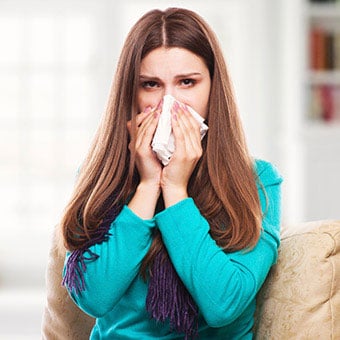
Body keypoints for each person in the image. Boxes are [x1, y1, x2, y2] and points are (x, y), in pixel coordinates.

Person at [61, 7, 283, 340]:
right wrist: (149, 184)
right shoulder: (99, 177)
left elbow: (224, 304)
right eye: (151, 85)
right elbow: (94, 297)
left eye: (187, 82)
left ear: (212, 88)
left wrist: (175, 189)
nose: (170, 102)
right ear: (130, 95)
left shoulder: (256, 181)